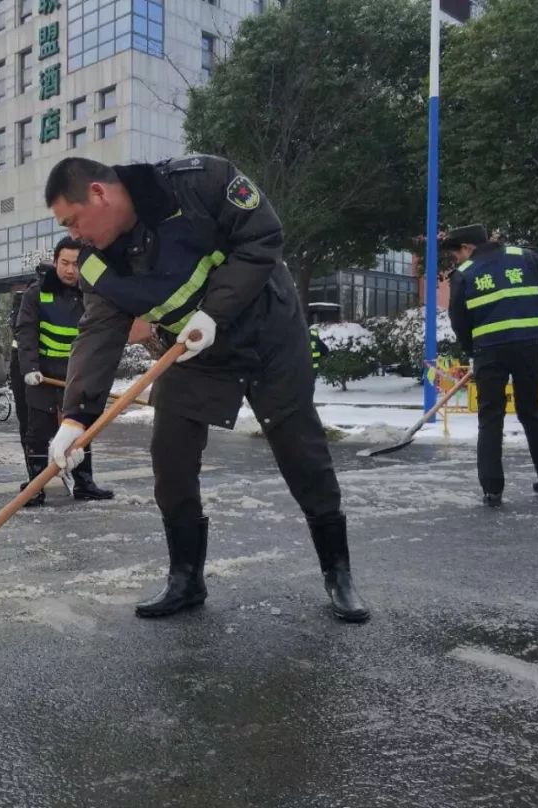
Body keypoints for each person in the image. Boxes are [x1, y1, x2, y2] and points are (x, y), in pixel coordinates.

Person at [43, 155, 369, 623]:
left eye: (73, 221)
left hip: (268, 336)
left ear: (99, 193)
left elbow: (263, 237)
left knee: (302, 453)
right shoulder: (98, 264)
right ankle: (185, 579)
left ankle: (339, 574)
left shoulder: (198, 183)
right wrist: (75, 417)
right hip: (194, 352)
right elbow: (98, 334)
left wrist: (215, 311)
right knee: (170, 457)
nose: (74, 237)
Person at [444, 224, 538, 506]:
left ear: (467, 247)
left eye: (456, 254)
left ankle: (492, 490)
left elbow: (458, 320)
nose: (457, 260)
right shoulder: (525, 257)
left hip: (489, 352)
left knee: (490, 418)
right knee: (531, 412)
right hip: (529, 346)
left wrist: (472, 348)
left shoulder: (464, 274)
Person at [15, 236, 114, 506]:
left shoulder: (92, 293)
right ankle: (36, 485)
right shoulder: (37, 293)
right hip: (42, 372)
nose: (70, 270)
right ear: (55, 261)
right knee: (39, 429)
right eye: (65, 263)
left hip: (76, 372)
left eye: (76, 264)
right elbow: (26, 332)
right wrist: (30, 368)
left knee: (80, 427)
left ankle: (84, 482)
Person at [8, 264, 49, 449]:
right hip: (23, 364)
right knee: (28, 420)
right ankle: (36, 472)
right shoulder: (26, 297)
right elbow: (20, 329)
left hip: (51, 365)